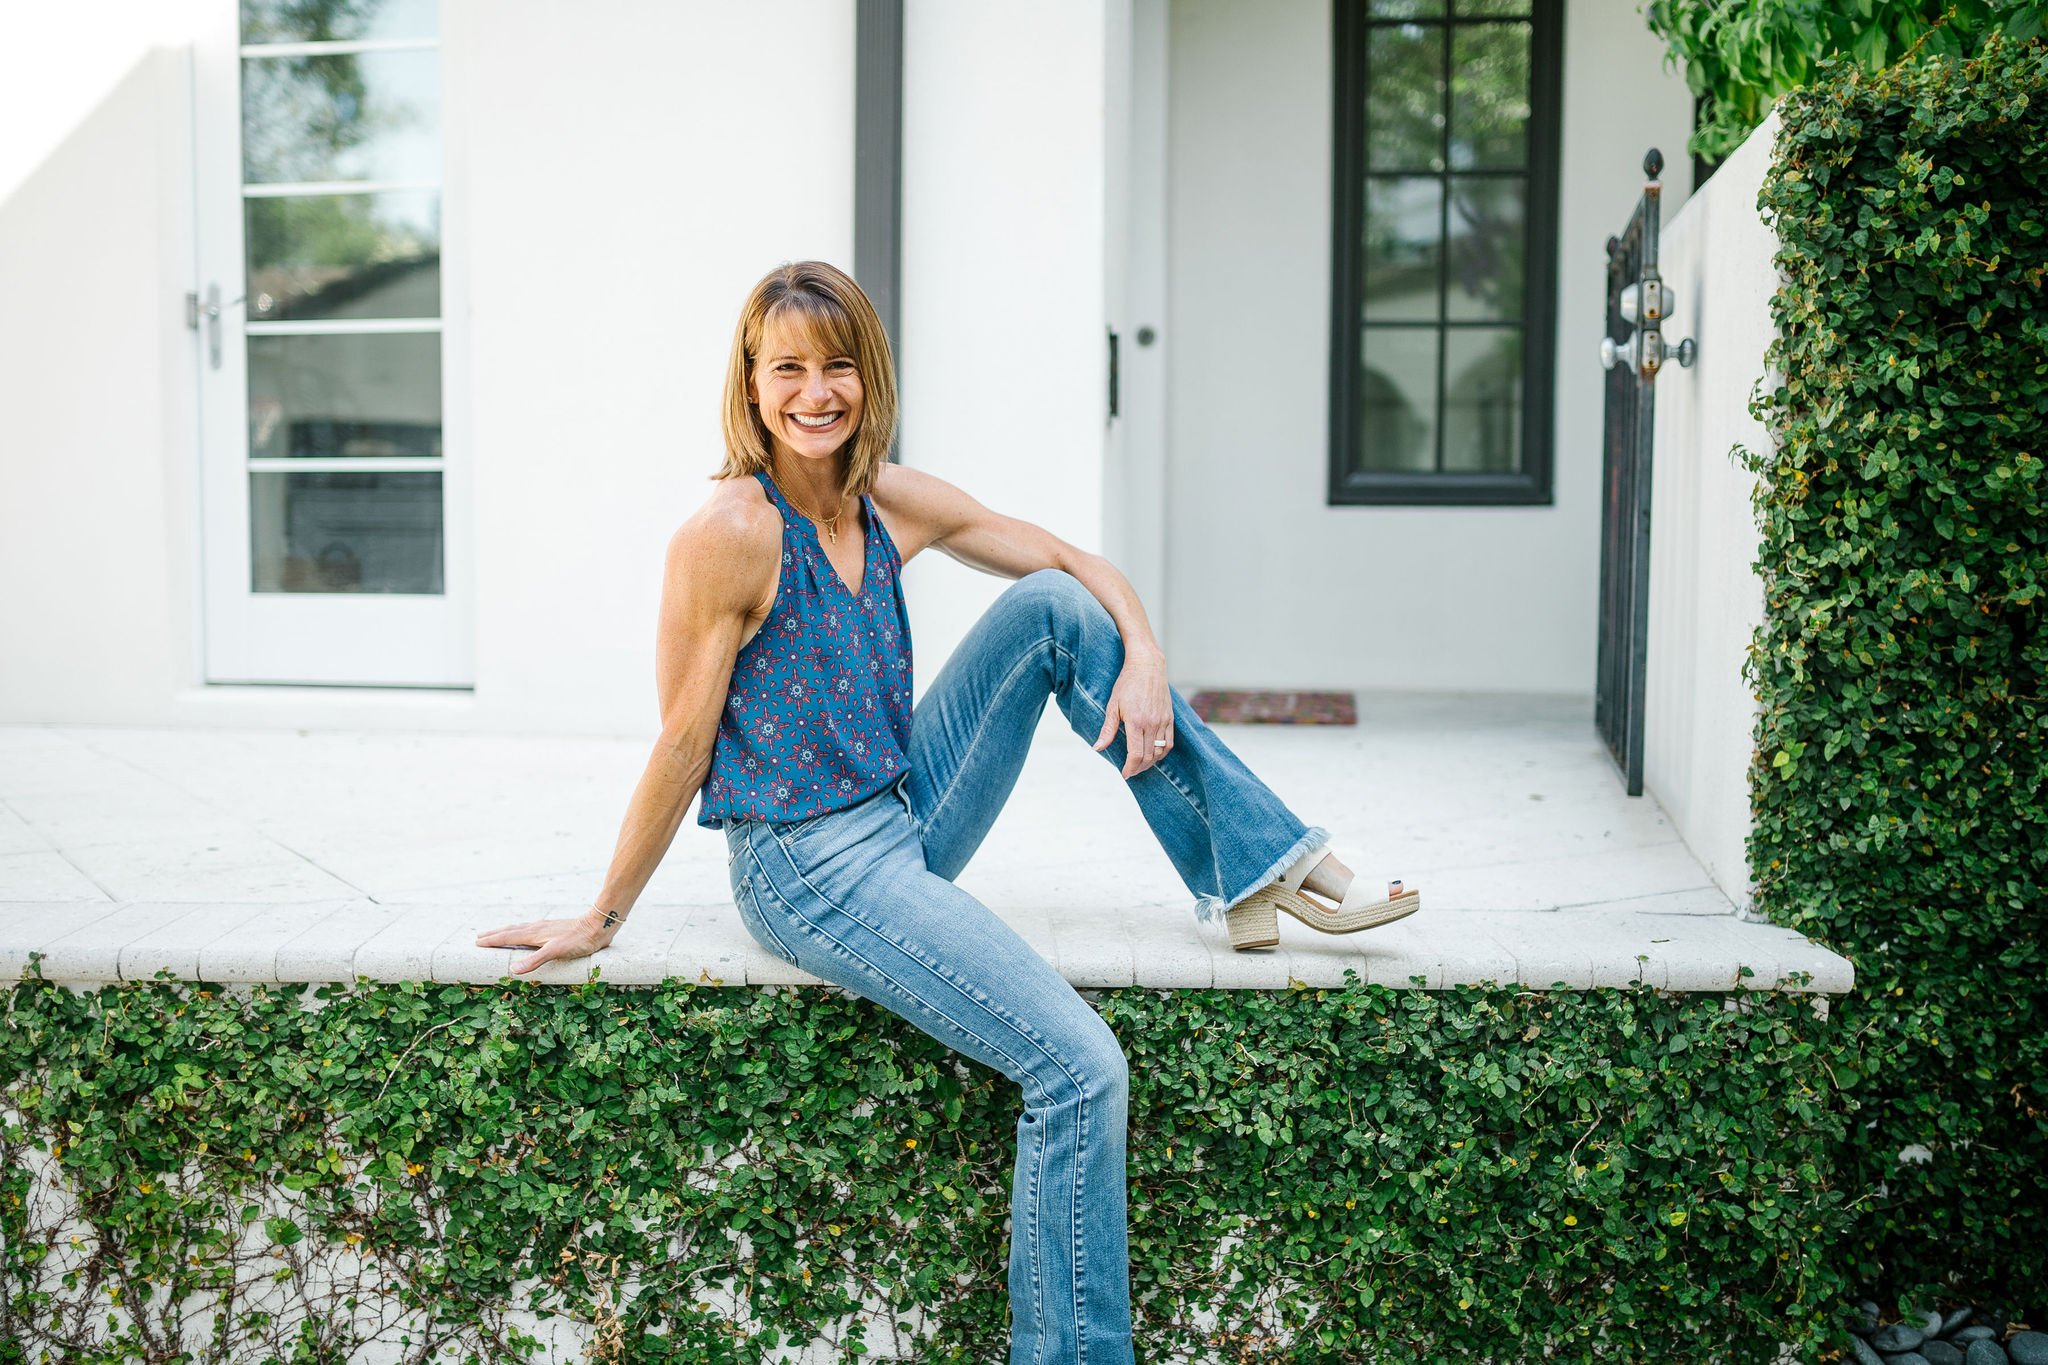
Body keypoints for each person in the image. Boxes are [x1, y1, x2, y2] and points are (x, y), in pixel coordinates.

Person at [474, 260, 1420, 1365]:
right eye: (788, 368)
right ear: (750, 382)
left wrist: (1146, 654)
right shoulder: (729, 532)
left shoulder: (884, 497)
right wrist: (603, 914)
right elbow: (684, 741)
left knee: (1053, 609)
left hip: (901, 806)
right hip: (808, 865)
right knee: (1080, 1071)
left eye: (837, 366)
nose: (814, 392)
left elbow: (1069, 559)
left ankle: (1256, 864)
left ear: (869, 377)